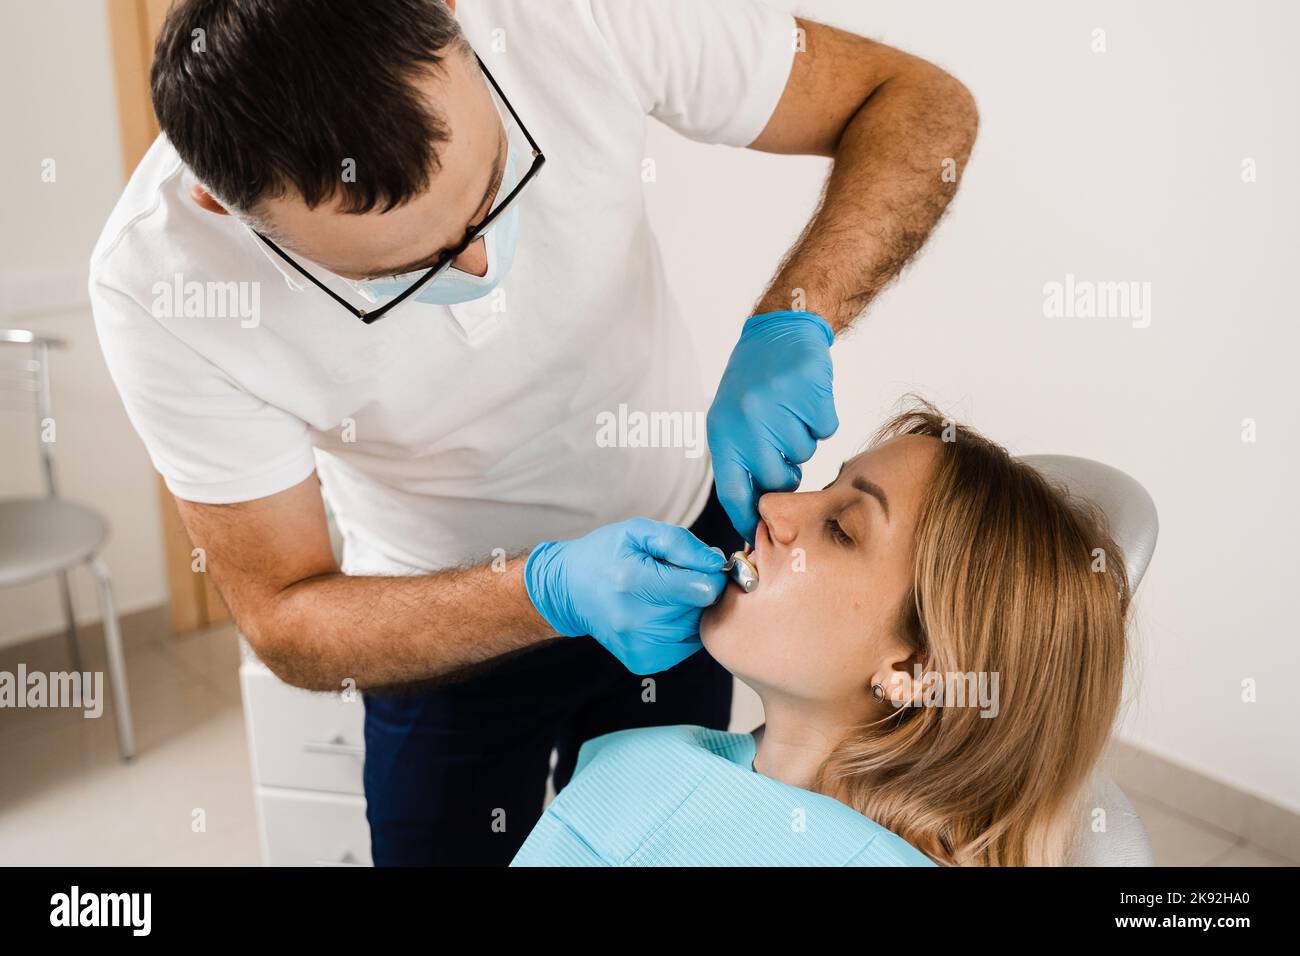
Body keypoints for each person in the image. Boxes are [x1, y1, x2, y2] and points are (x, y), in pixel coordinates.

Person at [89, 0, 978, 865]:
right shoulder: (160, 285)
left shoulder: (571, 13)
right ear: (220, 205)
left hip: (675, 539)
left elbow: (918, 101)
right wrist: (541, 590)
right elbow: (285, 616)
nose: (479, 262)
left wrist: (799, 316)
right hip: (430, 622)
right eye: (408, 267)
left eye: (493, 186)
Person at [514, 400, 1130, 866]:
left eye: (840, 528)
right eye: (825, 486)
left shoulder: (650, 768)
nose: (775, 509)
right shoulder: (651, 758)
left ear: (916, 671)